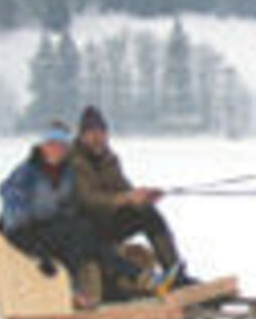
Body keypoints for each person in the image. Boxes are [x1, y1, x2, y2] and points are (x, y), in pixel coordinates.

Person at [70, 105, 194, 287]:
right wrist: (126, 198)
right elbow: (87, 199)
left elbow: (124, 188)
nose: (98, 138)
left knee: (148, 213)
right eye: (91, 133)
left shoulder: (110, 159)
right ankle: (141, 279)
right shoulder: (74, 161)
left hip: (107, 220)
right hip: (86, 226)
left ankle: (175, 273)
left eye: (102, 132)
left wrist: (143, 197)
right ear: (81, 136)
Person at [0, 126, 106, 307]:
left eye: (62, 146)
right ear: (43, 147)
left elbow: (65, 204)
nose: (57, 150)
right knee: (71, 236)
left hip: (50, 227)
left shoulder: (66, 173)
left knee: (85, 231)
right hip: (23, 230)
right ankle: (72, 291)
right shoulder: (27, 172)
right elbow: (12, 205)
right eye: (52, 145)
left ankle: (136, 278)